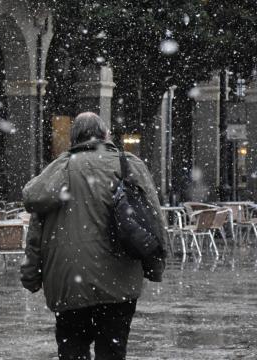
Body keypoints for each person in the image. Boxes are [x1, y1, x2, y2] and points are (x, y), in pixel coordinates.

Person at [20, 112, 167, 359]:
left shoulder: (58, 171)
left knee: (72, 350)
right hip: (118, 282)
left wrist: (31, 276)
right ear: (105, 135)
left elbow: (36, 229)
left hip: (68, 283)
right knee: (112, 351)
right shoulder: (127, 164)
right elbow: (152, 219)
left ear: (73, 138)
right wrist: (154, 266)